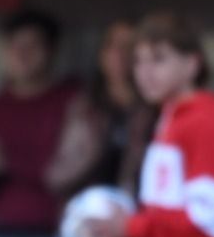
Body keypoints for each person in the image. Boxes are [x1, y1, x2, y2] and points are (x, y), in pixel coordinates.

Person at [88, 12, 214, 237]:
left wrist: (132, 227)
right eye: (138, 61)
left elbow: (212, 220)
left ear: (192, 64)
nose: (145, 72)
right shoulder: (170, 118)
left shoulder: (203, 122)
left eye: (158, 59)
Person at [0, 9, 75, 234]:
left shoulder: (72, 103)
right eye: (15, 46)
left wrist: (6, 162)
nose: (22, 54)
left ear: (51, 50)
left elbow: (62, 173)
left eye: (32, 46)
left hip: (59, 227)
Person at [45, 19, 153, 200]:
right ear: (101, 54)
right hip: (85, 204)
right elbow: (57, 175)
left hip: (138, 206)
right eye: (112, 45)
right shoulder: (82, 106)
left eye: (128, 46)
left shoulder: (155, 108)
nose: (119, 54)